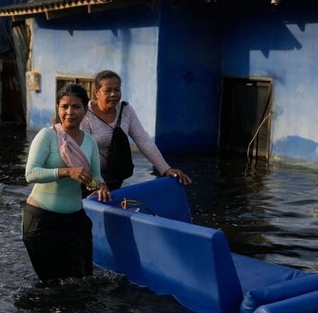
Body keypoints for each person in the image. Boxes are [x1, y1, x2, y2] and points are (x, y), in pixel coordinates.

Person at [23, 84, 111, 282]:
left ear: (85, 110)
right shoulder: (47, 136)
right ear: (57, 108)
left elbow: (97, 175)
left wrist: (99, 185)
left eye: (76, 107)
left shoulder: (90, 141)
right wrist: (66, 172)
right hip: (41, 221)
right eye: (64, 106)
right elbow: (31, 174)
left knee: (83, 280)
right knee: (52, 286)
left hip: (75, 221)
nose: (69, 112)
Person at [81, 69, 192, 190]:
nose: (113, 94)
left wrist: (166, 169)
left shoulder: (126, 110)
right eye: (108, 90)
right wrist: (97, 183)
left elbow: (144, 141)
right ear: (96, 92)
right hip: (88, 180)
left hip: (115, 177)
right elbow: (82, 155)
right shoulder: (85, 114)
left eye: (117, 89)